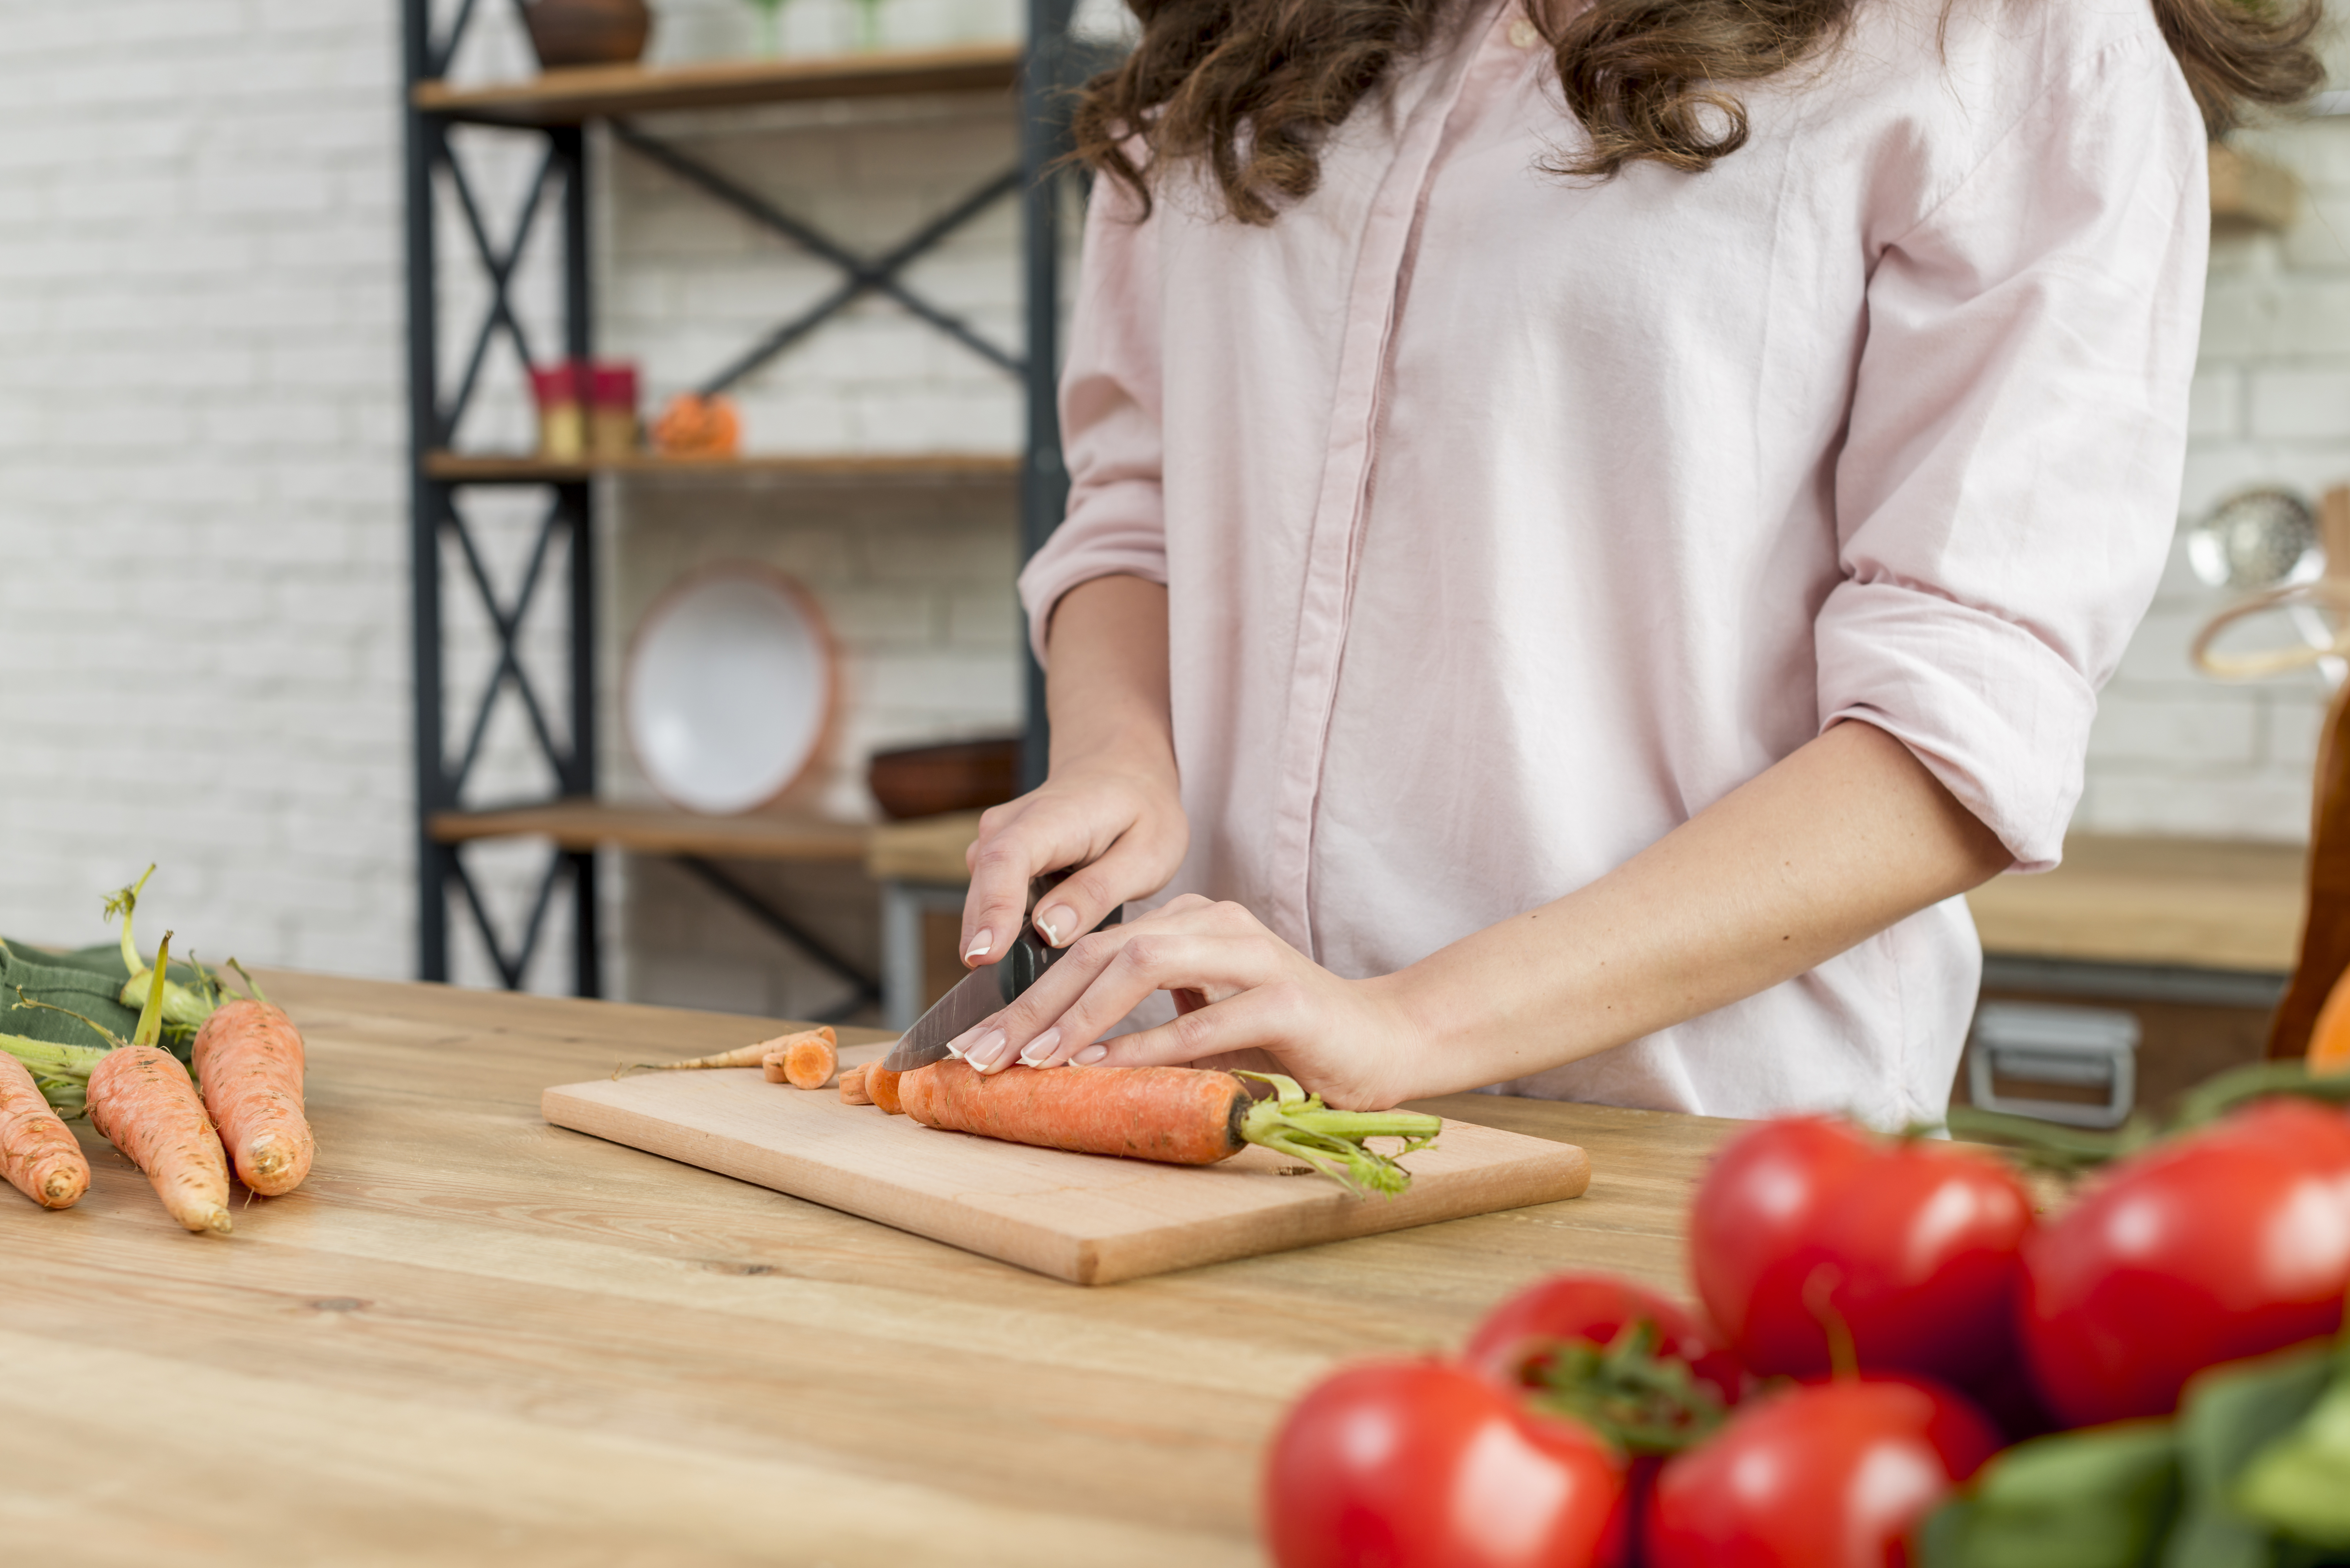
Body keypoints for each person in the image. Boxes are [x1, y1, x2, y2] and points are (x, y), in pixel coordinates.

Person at [943, 0, 2324, 1125]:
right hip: (1218, 1112)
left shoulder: (2016, 46)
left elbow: (1960, 727)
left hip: (1697, 1156)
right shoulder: (1235, 42)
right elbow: (1136, 503)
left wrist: (1402, 1022)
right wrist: (1120, 753)